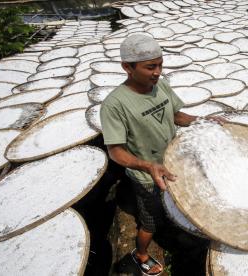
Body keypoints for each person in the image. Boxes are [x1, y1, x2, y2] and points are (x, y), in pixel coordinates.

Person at [100, 34, 221, 276]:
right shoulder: (115, 105)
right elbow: (115, 151)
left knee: (178, 205)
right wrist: (147, 166)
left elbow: (176, 115)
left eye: (160, 65)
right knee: (150, 220)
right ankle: (141, 254)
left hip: (174, 164)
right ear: (127, 67)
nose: (157, 72)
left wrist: (203, 121)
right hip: (148, 176)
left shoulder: (161, 85)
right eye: (150, 67)